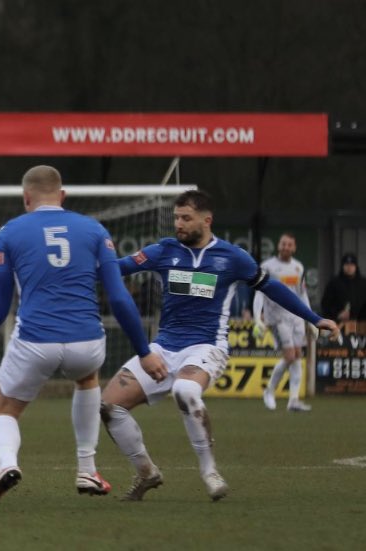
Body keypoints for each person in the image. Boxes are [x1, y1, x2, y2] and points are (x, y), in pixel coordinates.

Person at [101, 190, 339, 502]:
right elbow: (117, 268)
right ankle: (147, 473)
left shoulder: (232, 258)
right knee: (108, 407)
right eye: (176, 218)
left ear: (206, 220)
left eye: (186, 218)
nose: (179, 224)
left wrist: (313, 317)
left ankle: (210, 472)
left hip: (207, 347)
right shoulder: (164, 251)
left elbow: (274, 288)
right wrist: (82, 263)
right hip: (164, 348)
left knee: (185, 391)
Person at [0, 165, 166, 513]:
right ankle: (87, 469)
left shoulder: (9, 232)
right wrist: (144, 351)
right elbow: (118, 298)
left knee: (4, 406)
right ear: (63, 195)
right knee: (87, 379)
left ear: (26, 198)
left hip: (35, 341)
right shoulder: (94, 230)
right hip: (88, 342)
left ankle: (8, 464)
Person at [253, 233, 313, 412]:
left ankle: (293, 400)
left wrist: (310, 318)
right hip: (277, 318)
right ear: (278, 246)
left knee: (297, 355)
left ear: (294, 248)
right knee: (289, 356)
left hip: (296, 317)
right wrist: (258, 318)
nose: (286, 247)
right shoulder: (267, 267)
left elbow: (302, 294)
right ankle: (269, 391)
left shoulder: (298, 267)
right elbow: (259, 293)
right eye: (283, 244)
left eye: (290, 245)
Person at [321, 253, 366, 326]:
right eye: (347, 265)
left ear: (356, 266)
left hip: (361, 325)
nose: (349, 267)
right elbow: (325, 304)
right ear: (342, 266)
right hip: (339, 325)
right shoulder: (334, 283)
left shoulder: (363, 283)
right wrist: (337, 314)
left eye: (352, 265)